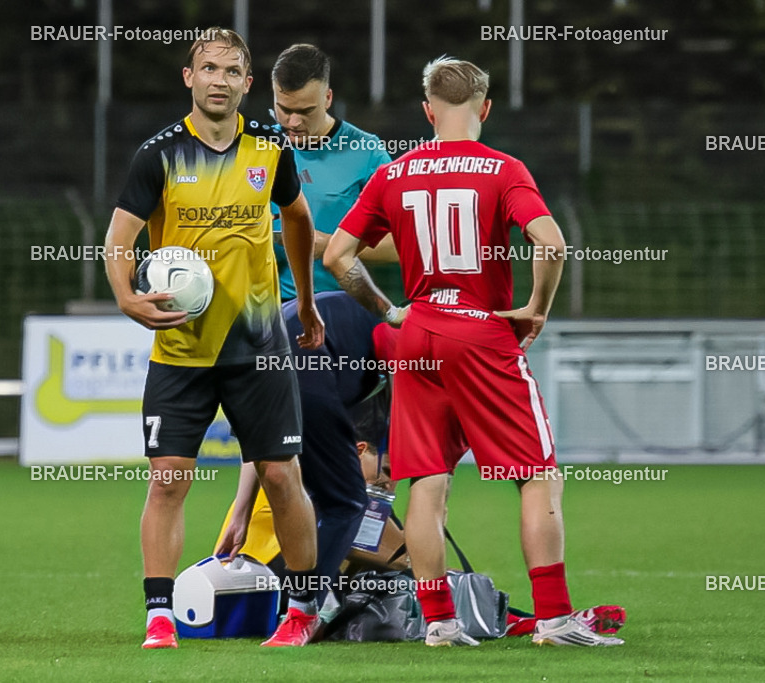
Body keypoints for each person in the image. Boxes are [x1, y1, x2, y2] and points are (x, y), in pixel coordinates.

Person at [324, 56, 625, 647]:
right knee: (537, 475)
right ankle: (555, 619)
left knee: (427, 480)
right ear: (485, 107)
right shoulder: (503, 169)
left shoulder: (395, 173)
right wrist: (537, 306)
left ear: (427, 111)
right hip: (480, 334)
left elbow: (337, 256)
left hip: (417, 335)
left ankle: (438, 621)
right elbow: (551, 243)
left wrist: (387, 310)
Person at [105, 27, 325, 650]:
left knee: (280, 476)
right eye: (209, 68)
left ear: (247, 84)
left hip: (258, 346)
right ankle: (160, 616)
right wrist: (125, 296)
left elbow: (298, 219)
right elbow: (119, 238)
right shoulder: (159, 154)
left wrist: (306, 301)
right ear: (189, 77)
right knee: (169, 479)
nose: (219, 81)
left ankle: (302, 609)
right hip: (181, 349)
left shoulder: (270, 148)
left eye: (232, 71)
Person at [216, 291, 387, 609]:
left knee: (332, 497)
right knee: (347, 505)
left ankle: (301, 604)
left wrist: (239, 514)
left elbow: (259, 446)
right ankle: (305, 609)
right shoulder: (375, 362)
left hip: (252, 358)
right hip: (304, 361)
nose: (386, 478)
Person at [269, 44, 397, 302]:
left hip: (339, 307)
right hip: (268, 309)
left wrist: (333, 246)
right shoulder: (259, 146)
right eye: (285, 109)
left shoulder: (367, 152)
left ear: (328, 98)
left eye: (306, 111)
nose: (293, 122)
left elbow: (401, 244)